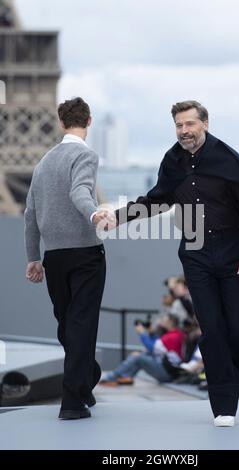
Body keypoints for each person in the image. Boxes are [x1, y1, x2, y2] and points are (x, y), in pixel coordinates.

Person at [98, 100, 239, 427]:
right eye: (179, 125)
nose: (184, 131)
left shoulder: (227, 160)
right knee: (211, 330)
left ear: (205, 124)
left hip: (232, 251)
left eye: (190, 124)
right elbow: (156, 200)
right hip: (195, 250)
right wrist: (118, 216)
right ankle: (223, 406)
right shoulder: (173, 161)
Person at [24, 97, 105, 420]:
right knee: (82, 326)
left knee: (68, 325)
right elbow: (80, 192)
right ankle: (72, 401)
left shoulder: (43, 163)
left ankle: (84, 380)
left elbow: (30, 214)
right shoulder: (85, 155)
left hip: (53, 257)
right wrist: (95, 215)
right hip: (85, 253)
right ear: (89, 121)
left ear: (60, 122)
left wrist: (33, 257)